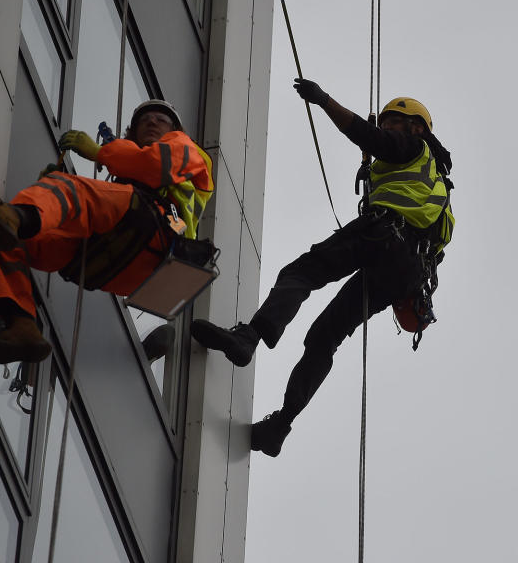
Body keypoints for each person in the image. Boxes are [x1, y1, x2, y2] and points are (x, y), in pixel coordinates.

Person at [191, 78, 454, 456]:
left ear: (416, 128)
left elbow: (370, 138)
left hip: (382, 235)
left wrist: (324, 101)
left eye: (393, 122)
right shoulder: (439, 185)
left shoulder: (413, 149)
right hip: (404, 272)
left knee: (301, 273)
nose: (386, 128)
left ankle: (249, 338)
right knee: (324, 338)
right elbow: (436, 244)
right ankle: (280, 425)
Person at [0, 100, 214, 365]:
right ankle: (21, 325)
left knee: (68, 189)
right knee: (11, 244)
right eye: (144, 120)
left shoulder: (189, 151)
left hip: (158, 232)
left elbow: (156, 165)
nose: (152, 121)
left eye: (160, 118)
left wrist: (97, 153)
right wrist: (46, 189)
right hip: (126, 264)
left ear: (176, 129)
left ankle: (15, 216)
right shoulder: (128, 169)